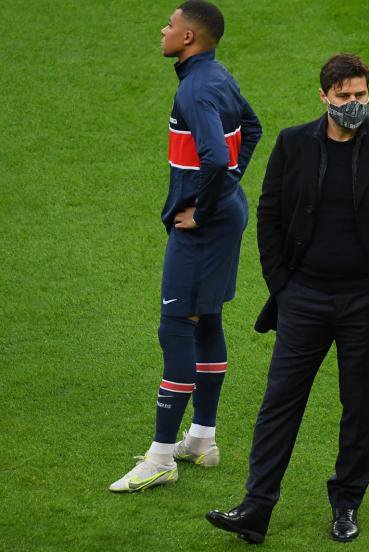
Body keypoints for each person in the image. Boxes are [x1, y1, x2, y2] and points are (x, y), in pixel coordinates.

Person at [206, 53, 369, 544]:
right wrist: (283, 287)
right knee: (280, 402)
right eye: (344, 96)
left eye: (361, 94)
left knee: (361, 407)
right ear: (324, 97)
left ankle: (346, 505)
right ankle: (256, 507)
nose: (354, 103)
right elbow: (270, 214)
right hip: (305, 298)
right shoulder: (293, 143)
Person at [109, 0, 262, 493]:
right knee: (207, 318)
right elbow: (253, 128)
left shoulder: (195, 89)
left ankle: (160, 457)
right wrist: (228, 191)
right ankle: (201, 439)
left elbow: (215, 156)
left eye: (171, 24)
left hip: (204, 229)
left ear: (189, 37)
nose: (163, 30)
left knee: (177, 325)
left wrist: (203, 209)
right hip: (227, 216)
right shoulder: (217, 74)